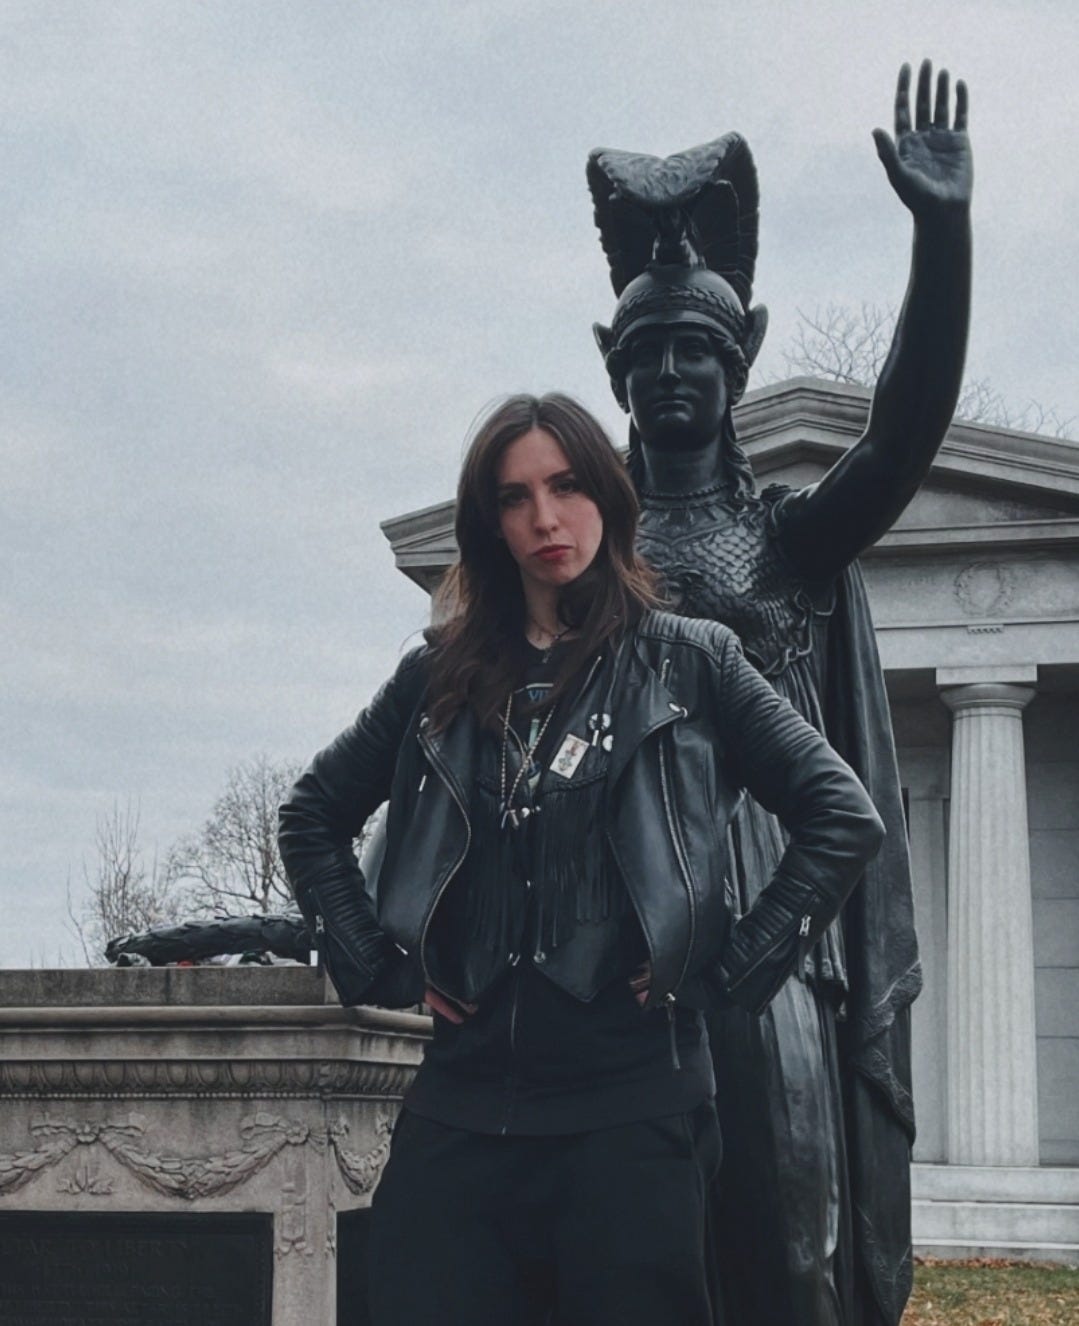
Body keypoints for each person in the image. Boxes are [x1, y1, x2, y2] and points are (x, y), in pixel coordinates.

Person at [278, 391, 884, 1326]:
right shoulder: (435, 673)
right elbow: (312, 815)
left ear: (607, 494)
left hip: (633, 1113)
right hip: (461, 1111)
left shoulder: (695, 661)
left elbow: (842, 816)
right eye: (515, 498)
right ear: (490, 521)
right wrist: (378, 964)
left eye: (565, 486)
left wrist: (730, 970)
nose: (545, 520)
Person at [587, 60, 971, 1326]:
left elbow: (901, 437)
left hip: (764, 905)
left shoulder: (786, 539)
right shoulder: (586, 552)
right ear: (615, 371)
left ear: (738, 360)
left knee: (784, 1235)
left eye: (698, 349)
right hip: (611, 908)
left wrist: (941, 233)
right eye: (648, 355)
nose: (674, 376)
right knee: (634, 1247)